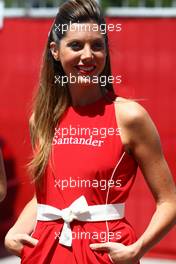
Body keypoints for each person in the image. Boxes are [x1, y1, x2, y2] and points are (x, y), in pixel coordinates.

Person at [4, 0, 176, 263]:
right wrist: (15, 230)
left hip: (103, 253)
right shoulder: (41, 119)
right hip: (47, 253)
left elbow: (169, 202)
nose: (88, 55)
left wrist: (136, 249)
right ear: (55, 51)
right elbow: (46, 197)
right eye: (76, 45)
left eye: (97, 45)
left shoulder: (129, 116)